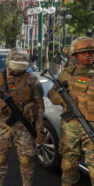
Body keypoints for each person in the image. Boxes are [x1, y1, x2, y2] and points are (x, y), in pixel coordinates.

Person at [0, 47, 45, 186]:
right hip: (2, 124)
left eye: (21, 67)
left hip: (25, 126)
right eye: (15, 67)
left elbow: (40, 106)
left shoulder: (32, 80)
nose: (17, 71)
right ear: (8, 63)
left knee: (26, 160)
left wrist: (39, 127)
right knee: (0, 158)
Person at [48, 37, 94, 186]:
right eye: (84, 52)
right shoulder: (68, 73)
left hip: (91, 127)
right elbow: (52, 94)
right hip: (71, 126)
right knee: (68, 165)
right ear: (75, 55)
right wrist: (63, 99)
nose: (89, 55)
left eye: (91, 52)